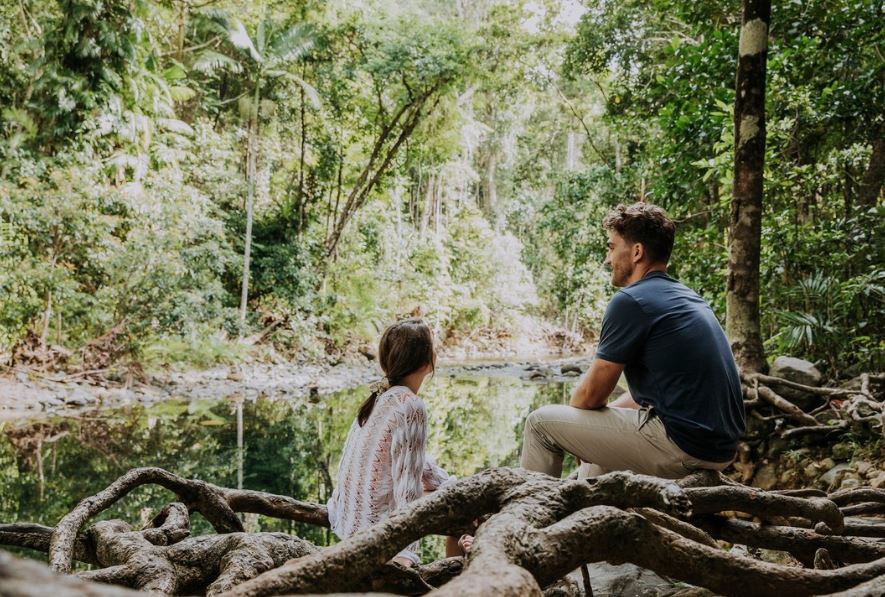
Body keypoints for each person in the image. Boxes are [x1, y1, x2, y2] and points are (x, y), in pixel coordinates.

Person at [520, 203, 745, 479]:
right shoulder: (687, 298)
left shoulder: (631, 300)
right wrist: (586, 431)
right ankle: (586, 512)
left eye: (612, 247)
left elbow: (590, 396)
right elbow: (649, 397)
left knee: (540, 423)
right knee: (595, 463)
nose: (607, 258)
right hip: (718, 449)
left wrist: (574, 426)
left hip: (682, 446)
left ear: (637, 252)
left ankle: (529, 508)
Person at [327, 318, 467, 566]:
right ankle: (455, 581)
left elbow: (417, 463)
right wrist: (405, 552)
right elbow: (407, 486)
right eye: (433, 345)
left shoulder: (383, 396)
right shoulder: (409, 406)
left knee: (459, 496)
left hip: (350, 516)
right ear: (427, 360)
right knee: (464, 513)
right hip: (376, 523)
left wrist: (451, 485)